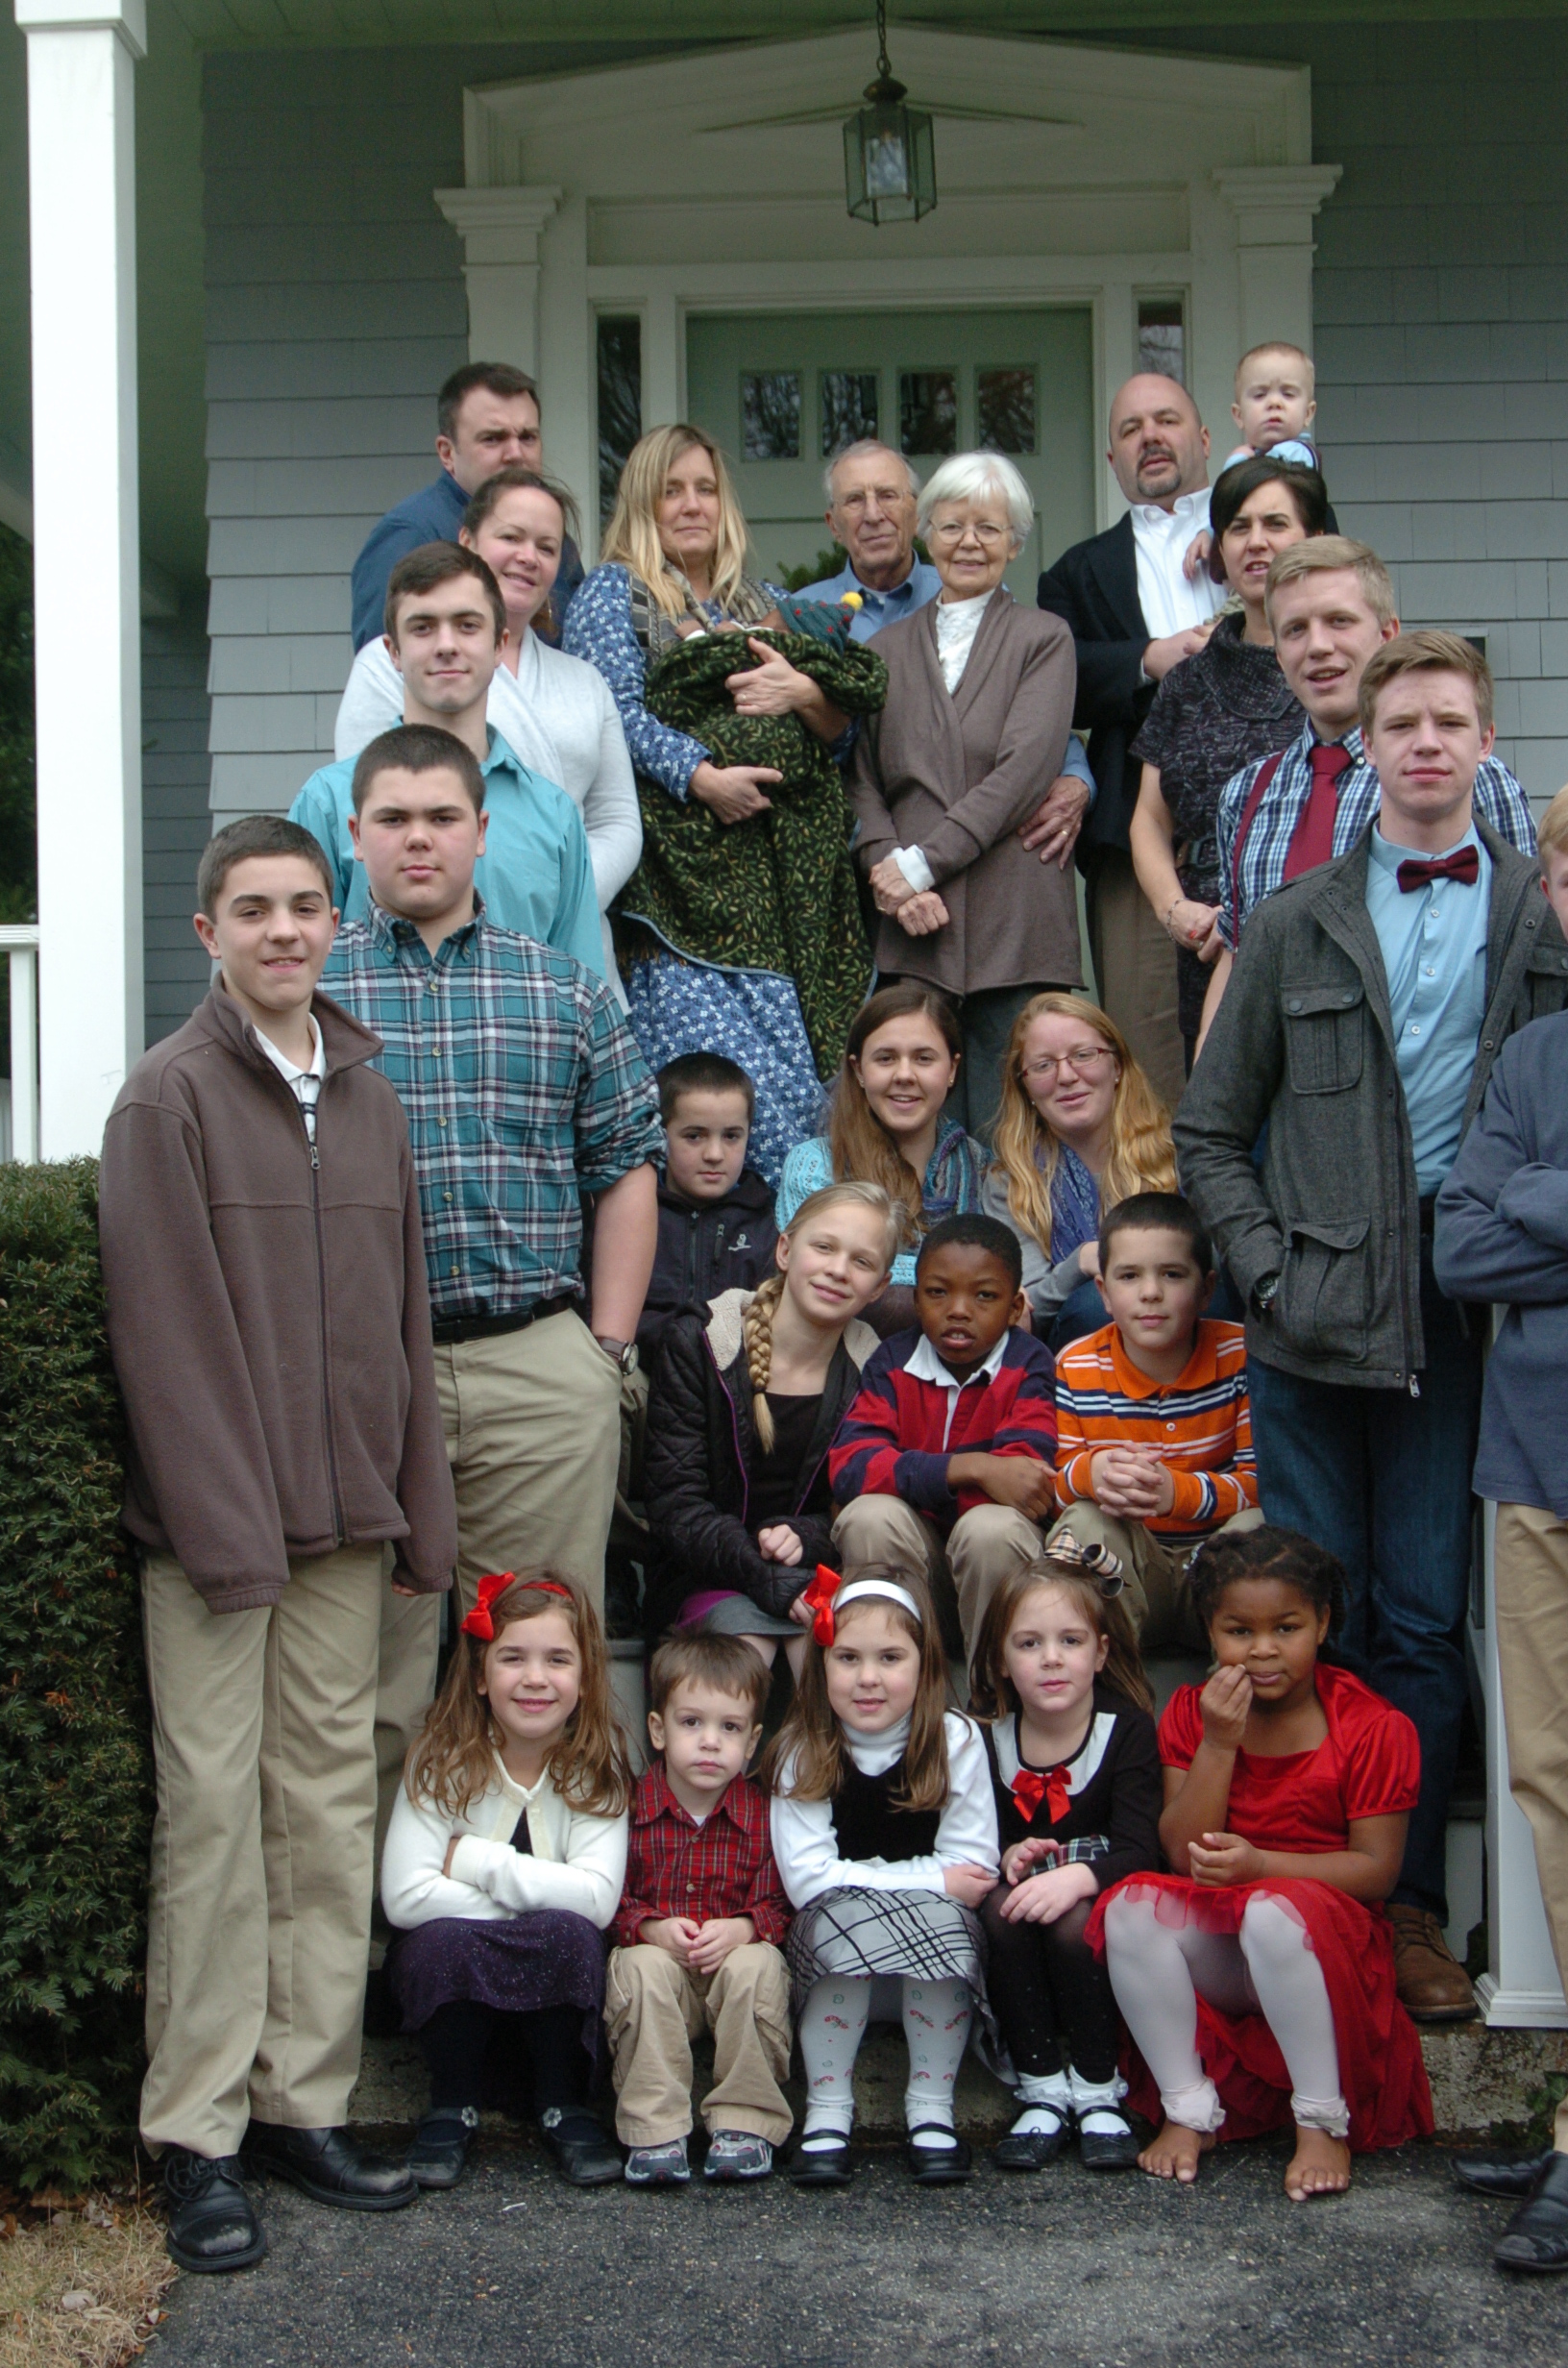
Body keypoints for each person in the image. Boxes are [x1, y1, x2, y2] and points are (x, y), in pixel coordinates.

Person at [1175, 631, 1568, 2024]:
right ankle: (1300, 1885)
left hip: (1461, 1316)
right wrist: (1269, 1272)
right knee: (1311, 1606)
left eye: (1451, 722)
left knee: (1418, 1615)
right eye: (1404, 724)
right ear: (1369, 745)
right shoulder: (1297, 918)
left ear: (1485, 742)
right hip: (1309, 1315)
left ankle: (1405, 1910)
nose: (1426, 744)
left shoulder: (1538, 916)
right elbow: (1210, 1128)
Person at [98, 815, 458, 2275]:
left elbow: (405, 1318)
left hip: (348, 1526)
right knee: (213, 1817)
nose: (284, 932)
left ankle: (302, 2104)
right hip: (218, 1537)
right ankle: (197, 2135)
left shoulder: (368, 1095)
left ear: (336, 920)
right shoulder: (167, 1098)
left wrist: (418, 1501)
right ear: (209, 933)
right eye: (253, 910)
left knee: (325, 1805)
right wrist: (228, 1529)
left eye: (306, 906)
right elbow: (165, 1340)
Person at [319, 723, 662, 1852]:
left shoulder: (561, 988)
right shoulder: (313, 994)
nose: (417, 838)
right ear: (356, 835)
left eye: (441, 817)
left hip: (537, 1364)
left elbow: (626, 1163)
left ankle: (553, 1904)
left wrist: (603, 1350)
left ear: (481, 831)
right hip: (371, 1376)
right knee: (377, 1670)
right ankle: (387, 1922)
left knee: (540, 1657)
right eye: (392, 819)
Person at [565, 423, 870, 1183]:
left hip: (775, 902)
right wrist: (700, 775)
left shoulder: (766, 603)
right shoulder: (615, 592)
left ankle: (804, 1235)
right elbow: (613, 713)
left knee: (799, 1091)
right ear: (643, 504)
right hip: (682, 900)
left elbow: (837, 739)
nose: (692, 504)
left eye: (705, 488)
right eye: (671, 491)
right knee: (716, 1099)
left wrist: (802, 692)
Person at [1092, 1526, 1433, 2200]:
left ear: (1323, 1623)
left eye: (1287, 1627)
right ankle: (1188, 2108)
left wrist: (1261, 1868)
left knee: (1272, 1912)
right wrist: (1220, 1743)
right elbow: (1181, 1851)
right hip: (1230, 1933)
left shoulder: (1372, 1726)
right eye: (1238, 1631)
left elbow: (1377, 1871)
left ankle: (1321, 2119)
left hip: (1326, 1945)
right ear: (1210, 1632)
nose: (1263, 1650)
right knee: (1130, 1908)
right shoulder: (1195, 1713)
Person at [1434, 787, 1568, 2271]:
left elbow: (1509, 1219)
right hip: (1536, 1463)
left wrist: (1542, 1199)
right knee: (1552, 1788)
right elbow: (1465, 1244)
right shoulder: (1536, 1056)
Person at [1199, 537, 1537, 1048]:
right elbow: (1237, 955)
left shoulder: (1466, 778)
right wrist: (1208, 1077)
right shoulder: (1246, 795)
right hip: (1277, 1082)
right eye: (1295, 629)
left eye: (1339, 621)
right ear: (1279, 653)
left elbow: (1529, 942)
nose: (1317, 646)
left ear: (1387, 634)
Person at [335, 467, 641, 999]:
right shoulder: (390, 667)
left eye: (547, 546)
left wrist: (557, 893)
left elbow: (616, 818)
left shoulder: (584, 681)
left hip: (555, 938)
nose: (528, 556)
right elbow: (362, 803)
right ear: (468, 541)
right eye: (511, 537)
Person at [846, 452, 1081, 1140]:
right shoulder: (884, 650)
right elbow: (860, 779)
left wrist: (919, 865)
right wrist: (890, 874)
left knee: (1017, 1135)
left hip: (1016, 920)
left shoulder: (1044, 639)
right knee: (913, 1130)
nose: (969, 543)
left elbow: (1023, 774)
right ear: (926, 533)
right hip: (914, 927)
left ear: (1015, 542)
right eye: (952, 526)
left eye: (989, 528)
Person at [380, 1571, 630, 2192]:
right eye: (512, 1658)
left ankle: (563, 2102)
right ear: (479, 1674)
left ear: (585, 1678)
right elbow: (405, 1898)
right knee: (441, 1942)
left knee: (571, 1938)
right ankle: (452, 2104)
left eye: (557, 1660)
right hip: (455, 1990)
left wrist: (474, 1861)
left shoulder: (598, 1768)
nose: (535, 1678)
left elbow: (597, 1902)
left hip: (553, 1988)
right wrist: (541, 1901)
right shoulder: (439, 1760)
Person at [763, 1565, 1001, 2186]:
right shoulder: (802, 1748)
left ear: (924, 1665)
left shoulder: (954, 1739)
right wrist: (931, 1882)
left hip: (931, 1977)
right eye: (848, 1658)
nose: (867, 1678)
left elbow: (975, 1867)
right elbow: (808, 1883)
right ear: (822, 1664)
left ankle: (931, 2107)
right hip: (837, 1969)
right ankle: (828, 2110)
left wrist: (874, 1880)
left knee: (946, 1922)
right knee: (845, 1919)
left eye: (890, 1657)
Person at [1032, 374, 1226, 1111]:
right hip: (1136, 835)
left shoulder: (1261, 536)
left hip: (1274, 815)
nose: (1151, 437)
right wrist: (1148, 658)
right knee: (1147, 1051)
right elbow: (1059, 679)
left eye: (1166, 420)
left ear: (1203, 438)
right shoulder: (1075, 573)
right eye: (1131, 429)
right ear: (1112, 459)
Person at [293, 542, 603, 976]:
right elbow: (293, 974)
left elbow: (582, 988)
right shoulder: (328, 802)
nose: (446, 645)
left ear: (500, 645)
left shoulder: (554, 817)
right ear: (393, 651)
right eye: (422, 627)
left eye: (467, 625)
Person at [643, 1181, 899, 1665]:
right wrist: (764, 1577)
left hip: (817, 1575)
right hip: (704, 1575)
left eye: (862, 1262)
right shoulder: (703, 1342)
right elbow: (676, 1506)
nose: (838, 1270)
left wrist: (807, 1535)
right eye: (824, 1247)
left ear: (880, 1287)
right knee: (745, 1650)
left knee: (830, 1648)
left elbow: (860, 1500)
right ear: (784, 1250)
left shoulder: (875, 1370)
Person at [1128, 456, 1325, 1060]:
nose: (1256, 541)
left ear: (1315, 538)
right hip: (1207, 943)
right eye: (1239, 527)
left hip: (1319, 940)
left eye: (1276, 523)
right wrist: (1175, 911)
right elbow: (1149, 819)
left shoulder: (1338, 669)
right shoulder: (1187, 680)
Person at [969, 1558, 1158, 2175]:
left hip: (1100, 1899)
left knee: (1078, 1921)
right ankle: (1041, 2087)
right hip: (1024, 1912)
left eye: (1070, 1641)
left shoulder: (1126, 1731)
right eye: (1029, 1644)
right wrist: (1007, 1853)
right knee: (1002, 1910)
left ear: (1100, 1653)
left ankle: (1099, 2088)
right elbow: (973, 1836)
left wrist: (1079, 1877)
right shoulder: (988, 1737)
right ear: (1001, 1660)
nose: (1051, 1659)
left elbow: (1142, 1847)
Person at [606, 1633, 793, 2185]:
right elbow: (608, 1897)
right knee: (638, 1965)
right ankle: (655, 2128)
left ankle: (744, 2121)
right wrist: (649, 1927)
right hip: (663, 1977)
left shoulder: (764, 1814)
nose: (710, 1742)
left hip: (731, 1977)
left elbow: (784, 1902)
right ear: (658, 1730)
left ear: (752, 1742)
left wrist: (746, 1928)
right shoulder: (629, 1808)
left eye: (730, 1728)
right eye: (691, 1723)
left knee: (758, 1965)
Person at [829, 1214, 1058, 1661]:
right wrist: (972, 1468)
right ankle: (900, 1679)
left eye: (984, 1295)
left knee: (989, 1529)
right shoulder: (893, 1360)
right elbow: (852, 1468)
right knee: (869, 1517)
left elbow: (1024, 1484)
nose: (958, 1310)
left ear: (1015, 1308)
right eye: (938, 1292)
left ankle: (991, 1688)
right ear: (916, 1300)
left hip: (996, 1575)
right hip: (919, 1568)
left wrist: (914, 1482)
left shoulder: (1028, 1362)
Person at [1048, 1193, 1262, 1647]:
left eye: (1172, 1274)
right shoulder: (1076, 1364)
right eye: (1129, 1276)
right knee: (1083, 1520)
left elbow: (1262, 1484)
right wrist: (1092, 1473)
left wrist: (1175, 1493)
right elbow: (1056, 1490)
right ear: (1103, 1293)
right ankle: (1110, 1673)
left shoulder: (1240, 1356)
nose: (1150, 1292)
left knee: (1258, 1525)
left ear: (1207, 1290)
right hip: (1131, 1573)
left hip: (1214, 1571)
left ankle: (1235, 1681)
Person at [776, 983, 988, 1336]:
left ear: (952, 1069)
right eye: (886, 1058)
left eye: (923, 1058)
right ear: (859, 1070)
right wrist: (959, 1279)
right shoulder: (814, 1164)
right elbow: (813, 1273)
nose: (904, 1075)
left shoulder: (981, 1167)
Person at [982, 992, 1178, 1354]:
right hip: (1077, 1353)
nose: (1067, 1076)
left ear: (1117, 1066)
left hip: (1184, 1341)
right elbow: (1026, 1308)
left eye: (1084, 1055)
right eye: (1043, 1065)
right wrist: (1082, 1262)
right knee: (1094, 1306)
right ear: (1025, 1087)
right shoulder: (1009, 1182)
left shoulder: (1177, 1153)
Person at [350, 361, 583, 653]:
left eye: (527, 437)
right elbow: (383, 666)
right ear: (447, 453)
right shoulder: (411, 534)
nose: (515, 453)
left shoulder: (554, 541)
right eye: (493, 438)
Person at [638, 1052, 779, 1368]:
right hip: (641, 1373)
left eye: (731, 1136)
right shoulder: (637, 1216)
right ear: (661, 1135)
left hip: (733, 1380)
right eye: (694, 1136)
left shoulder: (764, 1225)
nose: (715, 1154)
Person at [794, 439, 942, 639]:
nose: (873, 515)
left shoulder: (961, 596)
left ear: (917, 514)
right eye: (854, 500)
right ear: (834, 525)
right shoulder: (802, 617)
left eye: (887, 496)